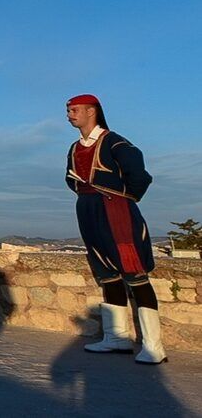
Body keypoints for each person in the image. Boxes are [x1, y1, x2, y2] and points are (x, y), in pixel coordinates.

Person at [65, 93, 166, 364]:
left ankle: (154, 345)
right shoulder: (75, 147)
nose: (70, 114)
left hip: (116, 209)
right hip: (88, 210)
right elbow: (70, 179)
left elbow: (139, 175)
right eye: (69, 110)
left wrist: (122, 198)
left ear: (91, 111)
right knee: (106, 272)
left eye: (75, 109)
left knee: (134, 271)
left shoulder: (116, 142)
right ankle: (116, 337)